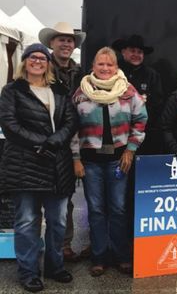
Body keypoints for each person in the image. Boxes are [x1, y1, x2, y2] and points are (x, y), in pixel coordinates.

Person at [0, 43, 78, 292]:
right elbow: (10, 124)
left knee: (57, 221)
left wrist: (55, 141)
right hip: (26, 165)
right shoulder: (12, 91)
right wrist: (42, 143)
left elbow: (71, 120)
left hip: (57, 166)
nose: (37, 61)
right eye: (32, 57)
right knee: (26, 222)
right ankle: (29, 272)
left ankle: (55, 267)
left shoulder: (60, 90)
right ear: (25, 62)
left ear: (48, 63)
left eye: (42, 58)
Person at [71, 47, 147, 277]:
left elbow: (141, 120)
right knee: (95, 209)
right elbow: (72, 128)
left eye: (110, 64)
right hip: (90, 161)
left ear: (116, 67)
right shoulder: (81, 93)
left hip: (118, 160)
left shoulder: (128, 90)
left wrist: (131, 150)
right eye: (100, 64)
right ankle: (99, 256)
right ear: (93, 66)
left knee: (118, 208)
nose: (105, 68)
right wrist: (75, 158)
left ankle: (121, 255)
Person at [39, 21, 88, 262]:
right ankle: (46, 246)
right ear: (52, 43)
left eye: (70, 40)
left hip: (75, 139)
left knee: (65, 197)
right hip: (48, 140)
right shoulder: (41, 68)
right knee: (42, 197)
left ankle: (64, 245)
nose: (66, 43)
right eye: (62, 39)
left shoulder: (81, 73)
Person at [112, 34, 165, 154]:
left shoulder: (152, 76)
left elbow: (157, 105)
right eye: (132, 51)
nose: (136, 55)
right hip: (116, 135)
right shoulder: (113, 72)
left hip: (143, 137)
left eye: (139, 52)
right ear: (123, 52)